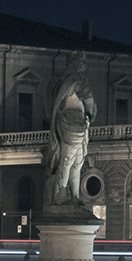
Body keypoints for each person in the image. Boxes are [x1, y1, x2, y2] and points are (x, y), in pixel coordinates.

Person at [44, 51, 95, 208]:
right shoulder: (74, 81)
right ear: (76, 63)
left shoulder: (67, 80)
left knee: (74, 162)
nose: (84, 65)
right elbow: (89, 106)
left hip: (72, 124)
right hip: (72, 125)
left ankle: (72, 196)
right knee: (68, 161)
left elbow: (47, 106)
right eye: (81, 62)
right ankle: (62, 196)